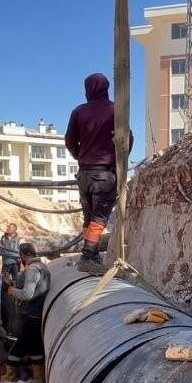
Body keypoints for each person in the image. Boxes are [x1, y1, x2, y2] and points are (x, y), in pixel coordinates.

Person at [64, 73, 133, 275]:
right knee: (99, 218)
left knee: (89, 217)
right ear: (106, 88)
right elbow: (127, 138)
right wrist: (119, 160)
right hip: (104, 174)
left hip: (84, 174)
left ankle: (91, 255)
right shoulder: (114, 110)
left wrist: (80, 155)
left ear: (88, 90)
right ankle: (88, 257)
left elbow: (69, 140)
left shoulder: (78, 112)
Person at [4, 243, 50, 382]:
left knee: (18, 347)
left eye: (20, 256)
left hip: (29, 316)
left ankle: (9, 378)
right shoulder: (43, 267)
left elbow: (27, 294)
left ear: (23, 255)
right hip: (37, 315)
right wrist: (13, 283)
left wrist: (11, 290)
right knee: (35, 347)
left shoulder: (32, 270)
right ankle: (39, 379)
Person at [0, 224, 21, 330]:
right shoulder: (3, 237)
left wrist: (18, 258)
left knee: (15, 281)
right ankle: (4, 297)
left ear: (14, 229)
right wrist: (0, 255)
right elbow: (0, 250)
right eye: (7, 227)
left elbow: (19, 251)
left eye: (9, 228)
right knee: (4, 282)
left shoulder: (18, 239)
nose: (7, 229)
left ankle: (15, 298)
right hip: (6, 262)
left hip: (14, 263)